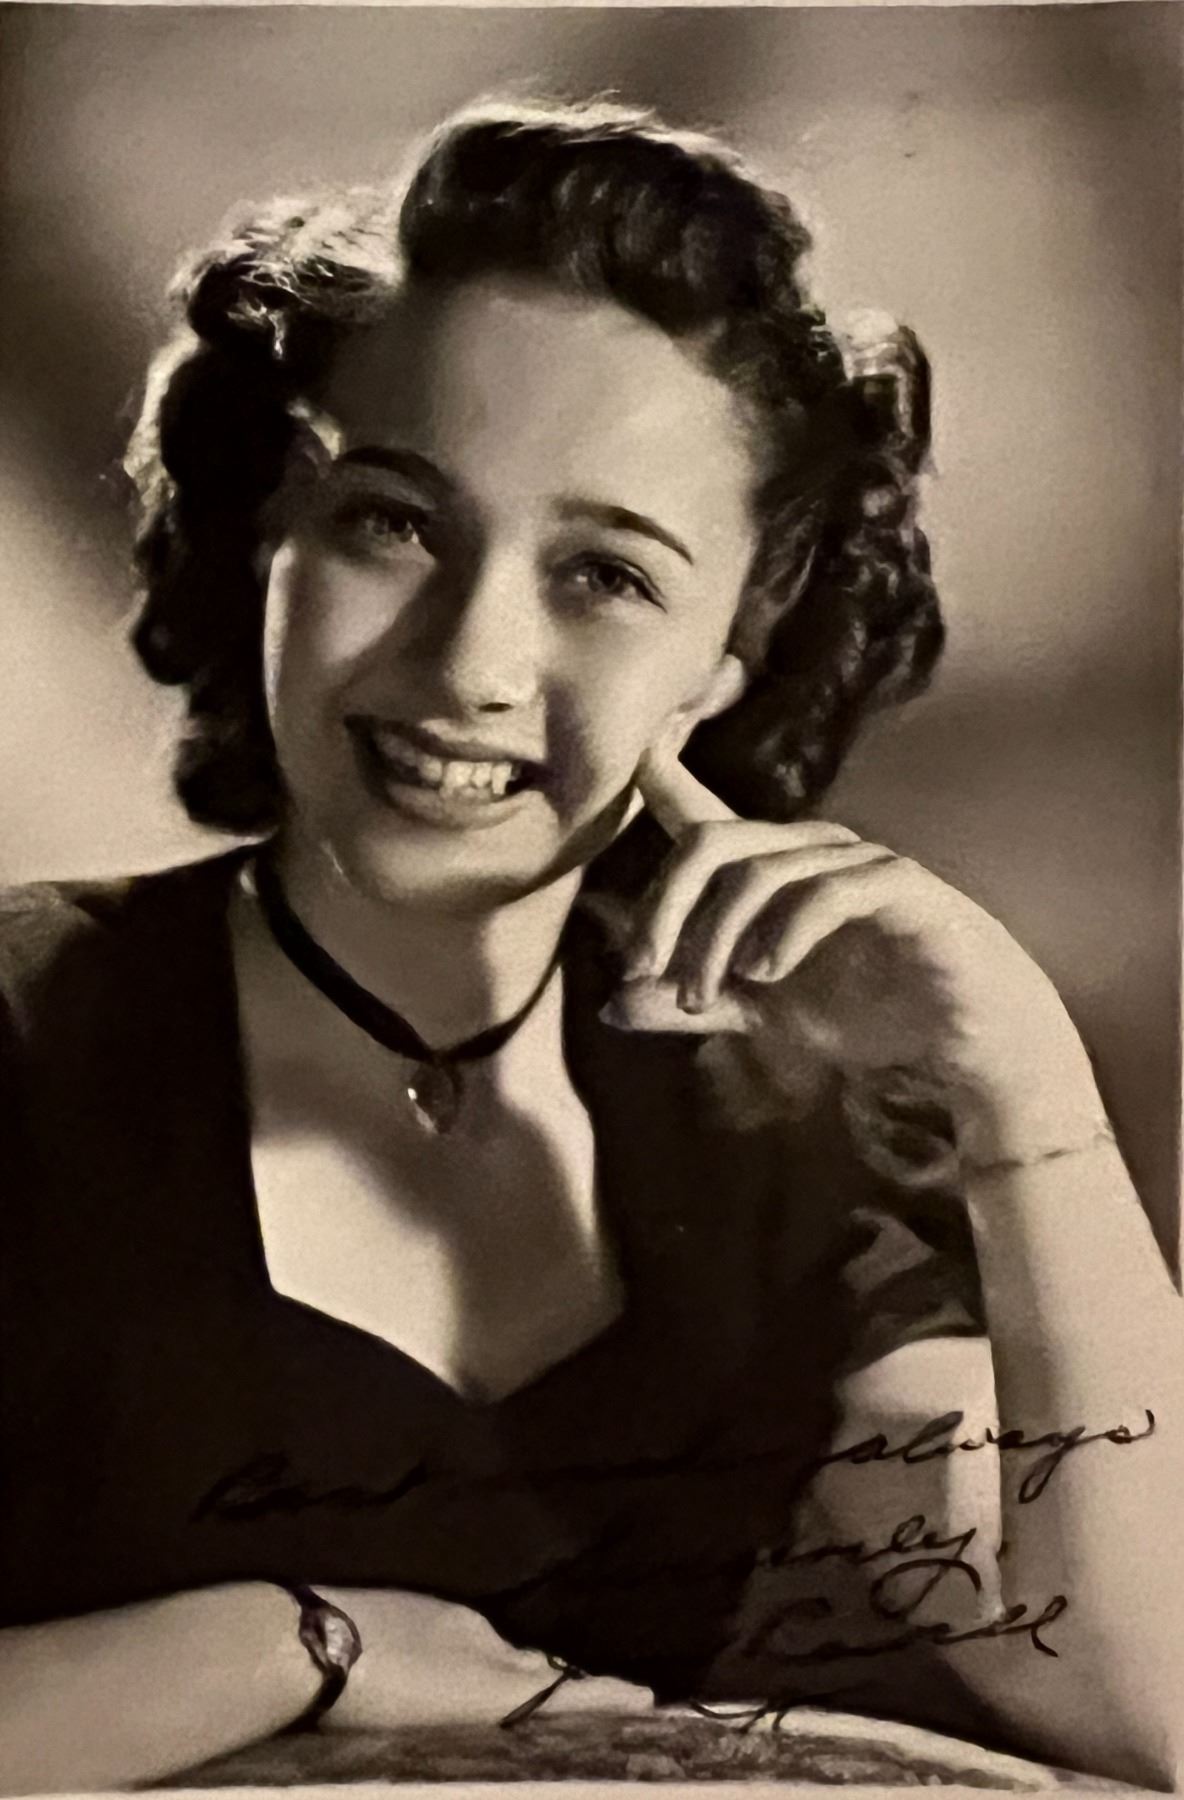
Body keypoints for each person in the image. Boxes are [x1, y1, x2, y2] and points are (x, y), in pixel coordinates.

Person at [0, 96, 1180, 1795]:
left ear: (726, 658)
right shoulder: (22, 1029)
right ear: (270, 536)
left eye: (606, 577)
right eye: (391, 520)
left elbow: (1155, 1710)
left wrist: (1033, 1115)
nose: (469, 661)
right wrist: (299, 1645)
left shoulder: (773, 1139)